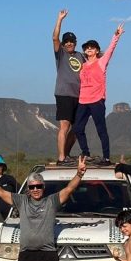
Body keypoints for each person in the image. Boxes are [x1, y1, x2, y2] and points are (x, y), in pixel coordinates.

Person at [72, 24, 124, 164]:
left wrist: (116, 36)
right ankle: (86, 153)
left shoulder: (101, 62)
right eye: (87, 47)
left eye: (92, 47)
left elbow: (111, 50)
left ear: (96, 51)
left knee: (101, 129)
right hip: (83, 101)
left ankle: (106, 157)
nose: (89, 49)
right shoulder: (82, 65)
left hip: (97, 100)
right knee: (77, 128)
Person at [52, 9, 86, 163]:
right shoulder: (61, 54)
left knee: (77, 128)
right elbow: (55, 38)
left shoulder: (80, 56)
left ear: (75, 43)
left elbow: (98, 55)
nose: (69, 43)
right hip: (64, 94)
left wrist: (115, 39)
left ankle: (66, 154)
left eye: (71, 41)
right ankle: (61, 157)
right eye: (66, 41)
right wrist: (60, 19)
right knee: (64, 126)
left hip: (79, 96)